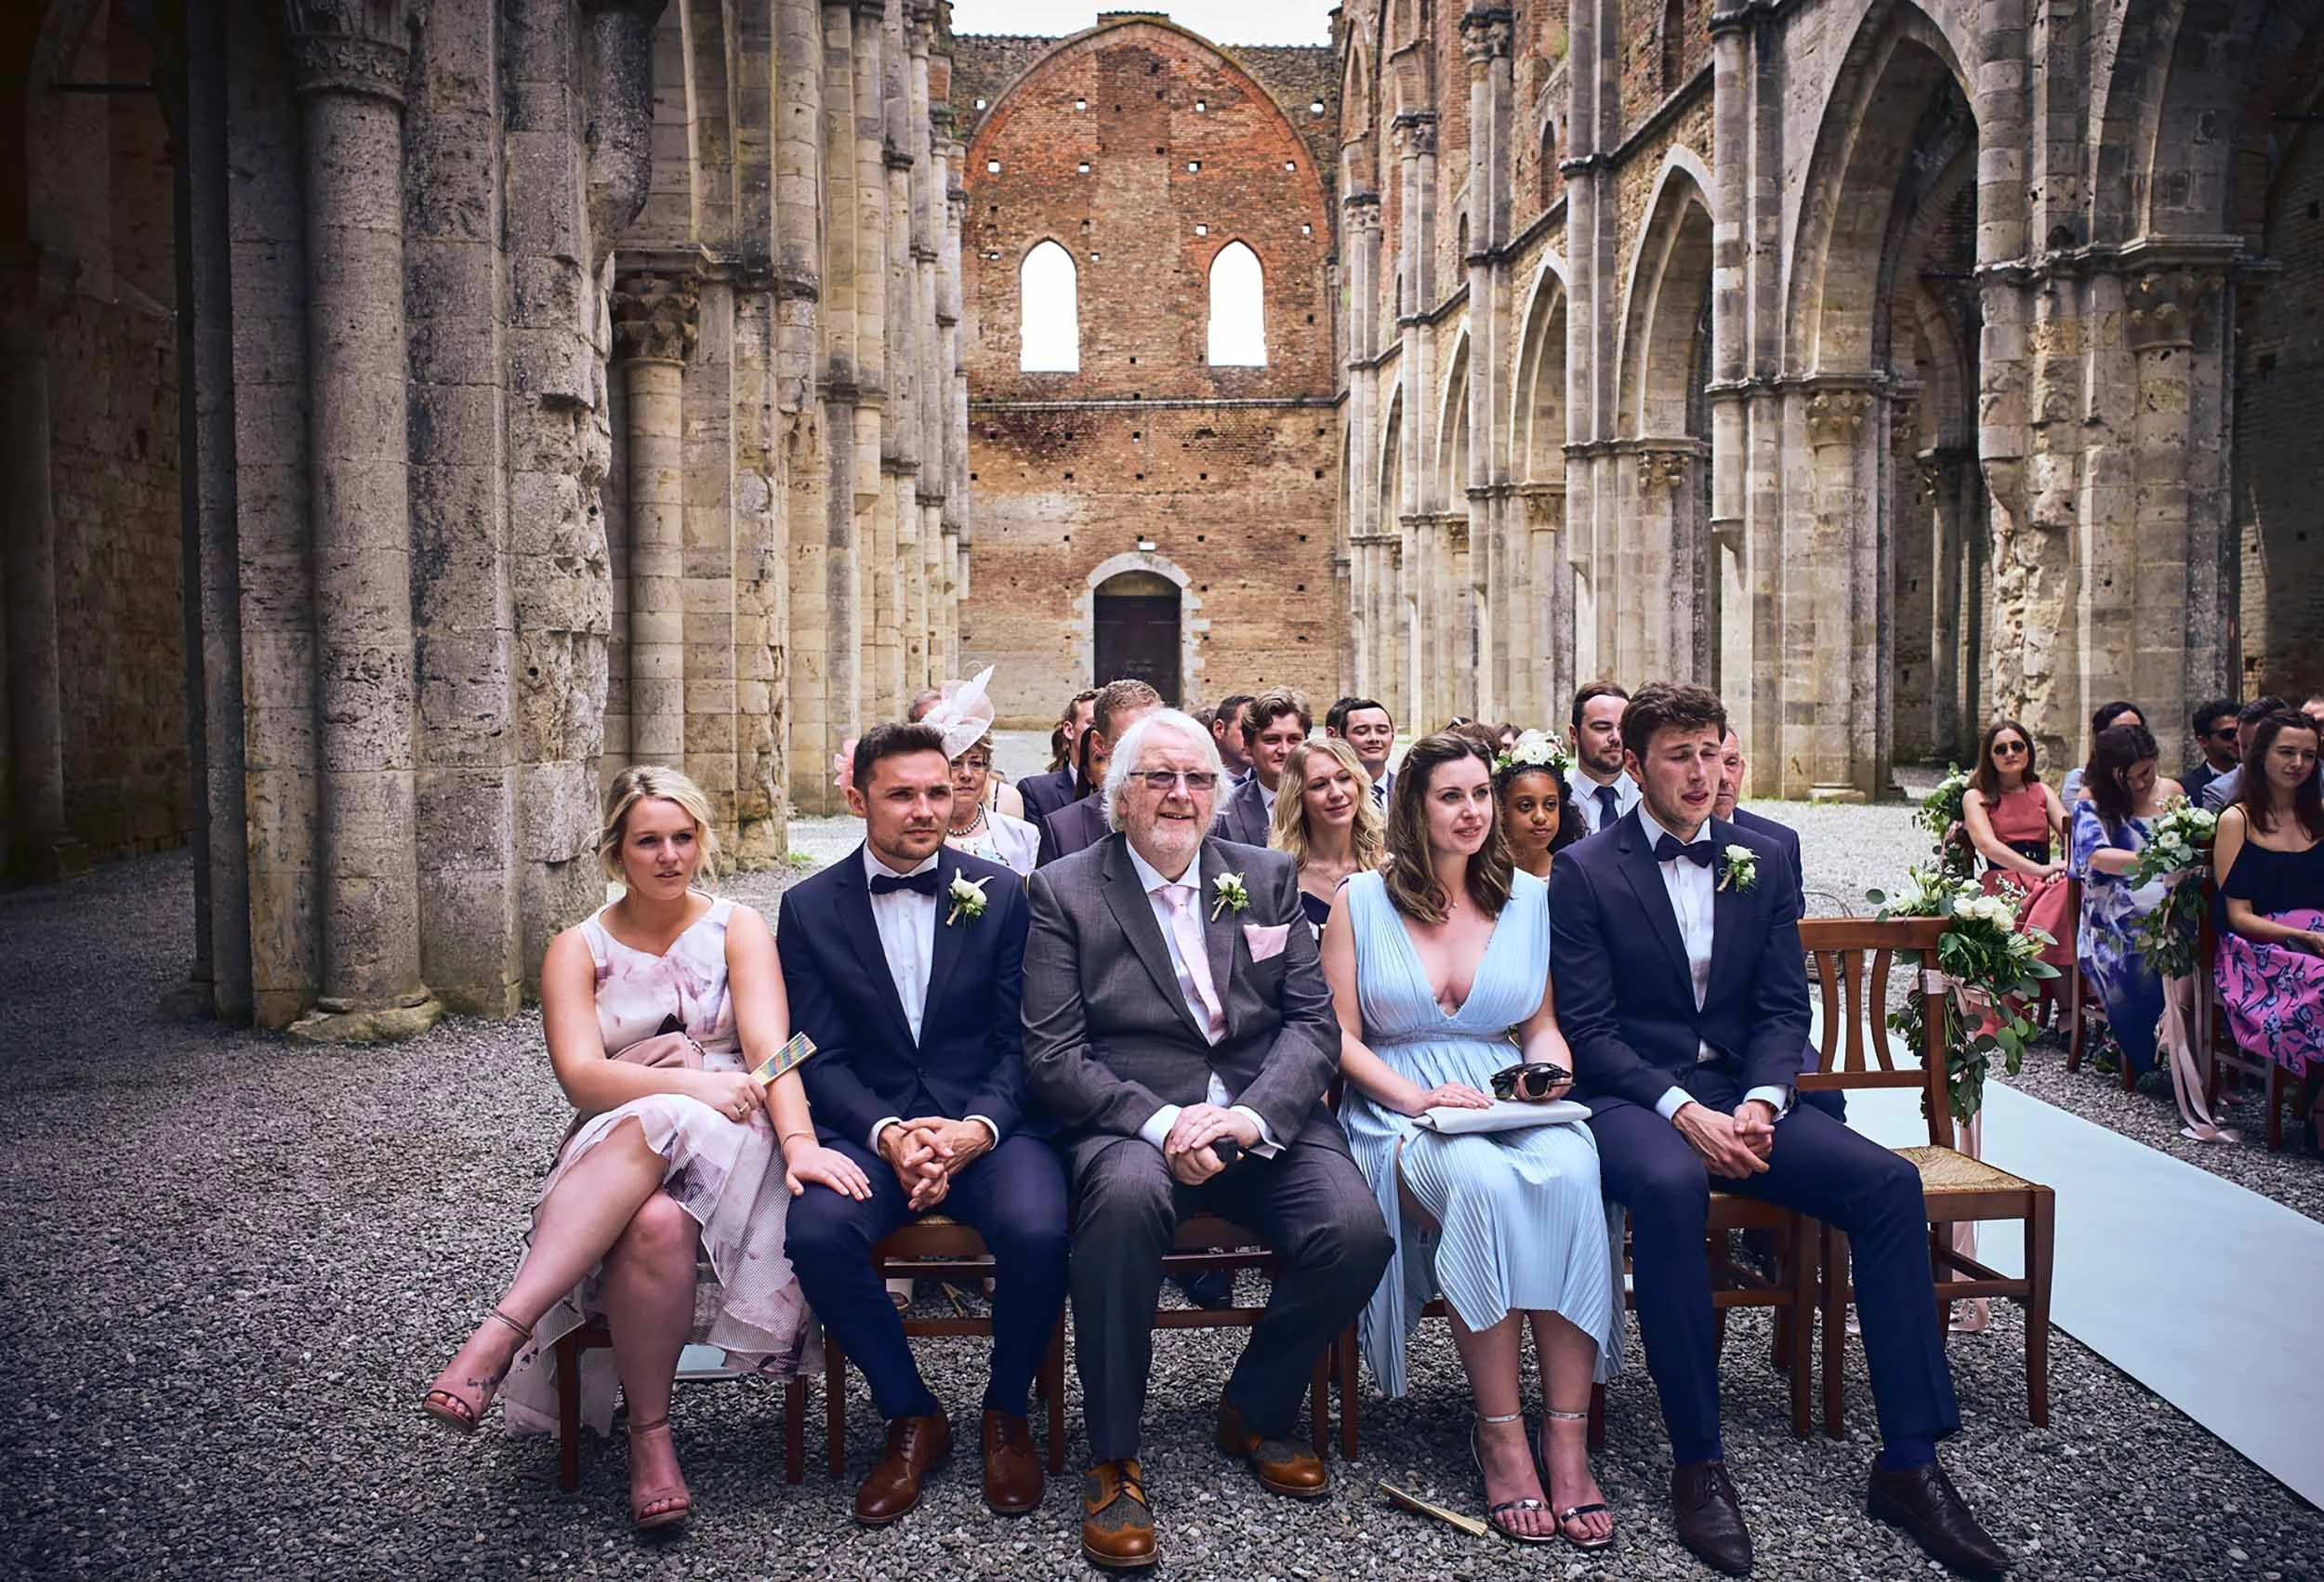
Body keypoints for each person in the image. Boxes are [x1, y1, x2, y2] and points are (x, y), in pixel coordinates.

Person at [1549, 683, 2003, 1579]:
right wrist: (1686, 1115)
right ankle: (1698, 1461)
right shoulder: (1587, 870)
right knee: (1674, 1189)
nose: (1698, 770)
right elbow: (1591, 1034)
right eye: (1677, 754)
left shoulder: (1760, 855)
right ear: (1635, 766)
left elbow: (1781, 1006)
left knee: (1887, 1185)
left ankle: (1910, 1461)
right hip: (1636, 1103)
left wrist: (1762, 1098)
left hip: (1738, 1094)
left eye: (1711, 751)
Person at [422, 766, 865, 1531]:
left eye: (683, 838)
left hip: (739, 1123)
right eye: (648, 841)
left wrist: (798, 1142)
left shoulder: (737, 928)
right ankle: (651, 1442)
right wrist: (687, 1087)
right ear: (615, 852)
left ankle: (501, 1331)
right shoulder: (576, 948)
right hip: (625, 1124)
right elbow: (583, 1079)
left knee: (675, 1132)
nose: (669, 856)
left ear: (703, 842)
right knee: (656, 1221)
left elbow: (772, 1047)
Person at [1022, 710, 1393, 1571]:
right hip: (1135, 1121)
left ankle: (1254, 1407)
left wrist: (1251, 1117)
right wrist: (1164, 1123)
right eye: (1157, 778)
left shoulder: (1265, 877)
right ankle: (1113, 1456)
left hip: (1261, 1118)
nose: (1179, 796)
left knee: (1355, 1233)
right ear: (1119, 797)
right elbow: (1052, 1052)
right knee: (1118, 1209)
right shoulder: (1066, 891)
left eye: (1195, 780)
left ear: (1218, 793)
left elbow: (1312, 1027)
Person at [1324, 732, 1618, 1549]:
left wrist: (1547, 1077)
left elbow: (1543, 1026)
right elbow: (1337, 1037)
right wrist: (1418, 1096)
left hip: (1505, 1100)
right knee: (1483, 1188)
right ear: (1415, 806)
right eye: (1452, 796)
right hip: (1400, 1107)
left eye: (1482, 795)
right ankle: (1500, 1432)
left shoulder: (1529, 897)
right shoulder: (1360, 901)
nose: (1474, 811)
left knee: (1571, 1170)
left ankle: (1565, 1432)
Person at [777, 723, 1069, 1525]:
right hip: (869, 1132)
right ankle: (911, 1412)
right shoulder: (807, 908)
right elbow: (813, 1050)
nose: (924, 810)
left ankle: (1006, 1410)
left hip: (989, 1127)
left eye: (937, 792)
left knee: (1043, 1230)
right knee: (816, 1232)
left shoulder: (1004, 893)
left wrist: (975, 1128)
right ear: (857, 797)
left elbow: (1027, 1040)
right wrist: (889, 1134)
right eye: (902, 793)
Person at [2212, 712, 2324, 1144]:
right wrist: (2305, 937)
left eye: (2309, 755)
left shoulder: (2319, 816)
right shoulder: (2237, 820)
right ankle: (2316, 1103)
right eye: (2287, 752)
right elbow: (2237, 915)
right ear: (2262, 756)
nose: (2298, 762)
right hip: (2257, 947)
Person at [2070, 722, 2183, 1077]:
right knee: (2139, 949)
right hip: (2112, 916)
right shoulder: (2093, 801)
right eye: (2128, 778)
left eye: (2145, 773)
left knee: (2198, 947)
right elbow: (2096, 857)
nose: (2138, 784)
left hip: (2173, 907)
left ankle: (2188, 1053)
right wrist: (2158, 861)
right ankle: (2144, 1047)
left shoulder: (2172, 792)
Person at [1961, 718, 2071, 966]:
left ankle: (2036, 972)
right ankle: (2024, 963)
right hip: (2004, 883)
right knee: (2060, 897)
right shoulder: (1976, 797)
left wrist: (2064, 864)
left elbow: (2072, 831)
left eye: (2017, 746)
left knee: (2069, 890)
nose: (2010, 753)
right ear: (1990, 757)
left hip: (2044, 880)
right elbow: (1988, 845)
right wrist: (2041, 870)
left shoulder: (2042, 791)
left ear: (2028, 751)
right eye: (2001, 749)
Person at [1037, 679, 1163, 867]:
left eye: (1158, 735)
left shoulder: (1202, 815)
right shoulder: (1063, 830)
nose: (1149, 750)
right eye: (1131, 741)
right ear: (1099, 744)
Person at [1269, 736, 1384, 933]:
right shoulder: (1279, 878)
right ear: (1298, 798)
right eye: (1318, 785)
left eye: (1344, 778)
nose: (1336, 793)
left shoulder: (1386, 869)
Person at [1216, 688, 1313, 846]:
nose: (1284, 750)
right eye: (1271, 740)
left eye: (1294, 739)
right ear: (1248, 746)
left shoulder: (1332, 801)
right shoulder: (1225, 812)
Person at [1710, 728, 1802, 892]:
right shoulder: (1660, 843)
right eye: (1712, 762)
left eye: (1731, 763)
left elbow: (1791, 916)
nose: (1724, 778)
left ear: (1742, 768)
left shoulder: (1781, 843)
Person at [1495, 731, 1583, 880]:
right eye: (1525, 806)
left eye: (1550, 805)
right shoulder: (1488, 877)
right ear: (1502, 810)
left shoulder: (1572, 874)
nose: (1540, 817)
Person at [2202, 696, 2302, 811]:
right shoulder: (2221, 794)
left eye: (2259, 747)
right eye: (2244, 747)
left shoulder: (2319, 781)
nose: (2250, 756)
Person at [1568, 681, 1638, 836]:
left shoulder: (1648, 797)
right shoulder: (1558, 799)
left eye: (1623, 728)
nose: (1615, 737)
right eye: (1602, 727)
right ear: (1574, 734)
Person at [1022, 689, 1101, 824]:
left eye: (1106, 725)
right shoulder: (1037, 792)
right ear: (1069, 730)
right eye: (1093, 723)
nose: (1100, 732)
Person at [2062, 699, 2146, 802]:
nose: (2130, 739)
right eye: (2120, 733)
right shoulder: (2079, 781)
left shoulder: (2157, 784)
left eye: (2137, 732)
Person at [1327, 695, 1397, 806]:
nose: (1373, 738)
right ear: (1342, 739)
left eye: (1382, 731)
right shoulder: (1332, 795)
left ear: (1392, 738)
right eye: (1361, 731)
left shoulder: (1412, 791)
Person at [2181, 699, 2242, 805]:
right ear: (2203, 741)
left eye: (2240, 733)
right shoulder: (2187, 787)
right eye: (2228, 734)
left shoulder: (2260, 777)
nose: (2237, 740)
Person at [1208, 692, 1257, 785]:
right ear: (1219, 729)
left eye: (1260, 732)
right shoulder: (1196, 780)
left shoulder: (1272, 785)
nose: (1254, 739)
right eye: (1246, 729)